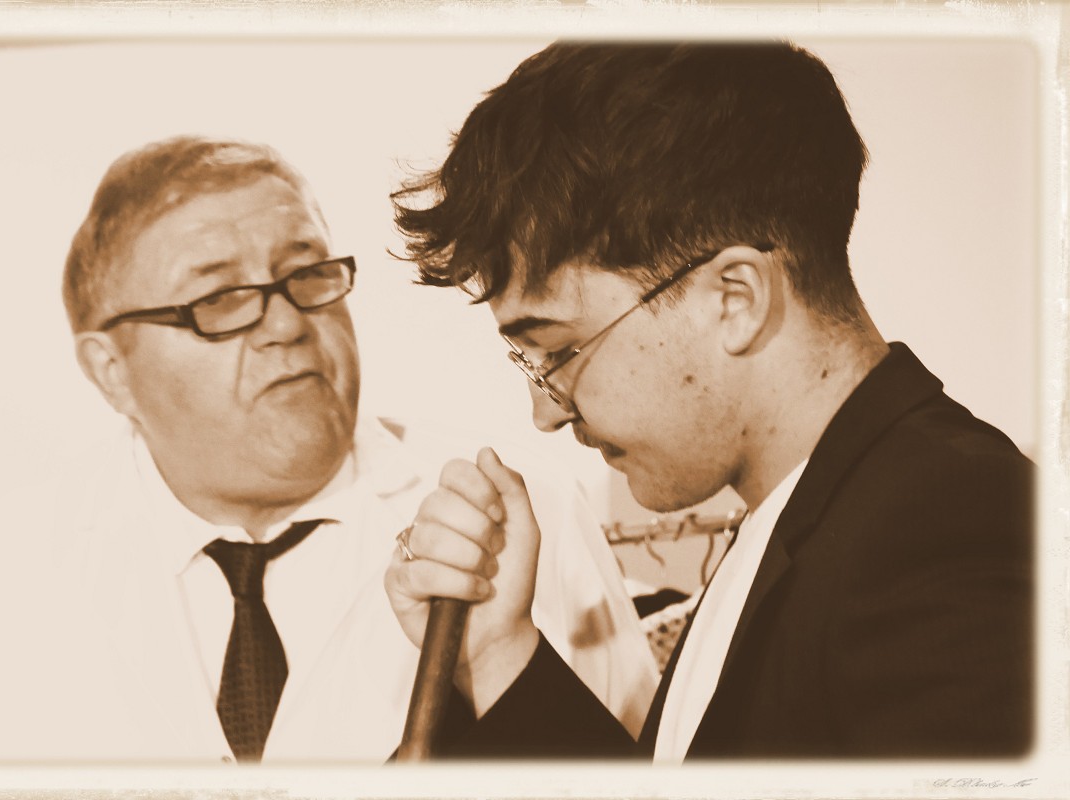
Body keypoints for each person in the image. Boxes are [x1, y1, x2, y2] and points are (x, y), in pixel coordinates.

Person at [0, 135, 657, 764]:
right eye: (217, 300)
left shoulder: (520, 516)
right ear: (111, 371)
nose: (287, 324)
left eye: (307, 275)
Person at [385, 41, 1034, 759]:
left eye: (558, 351)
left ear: (734, 301)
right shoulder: (805, 515)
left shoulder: (945, 525)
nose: (546, 412)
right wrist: (495, 650)